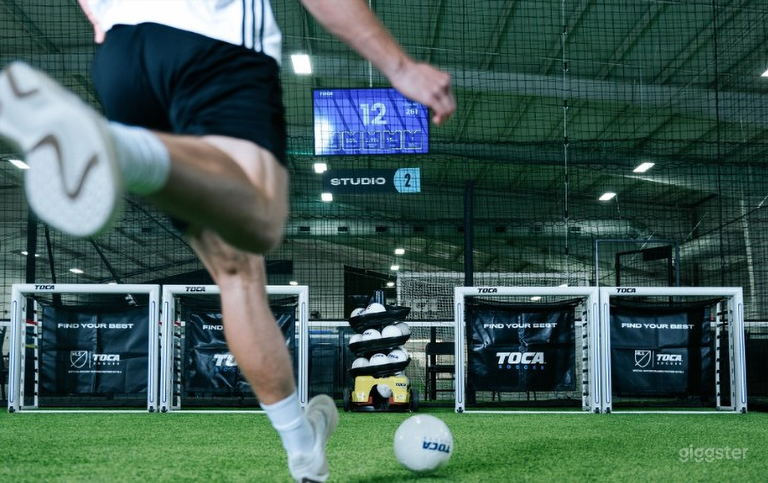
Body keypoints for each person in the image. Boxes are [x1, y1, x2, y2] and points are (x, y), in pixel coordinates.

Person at [0, 1, 455, 481]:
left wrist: (101, 16)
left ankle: (304, 449)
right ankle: (120, 149)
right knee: (261, 218)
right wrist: (400, 67)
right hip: (213, 44)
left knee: (237, 273)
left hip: (122, 58)